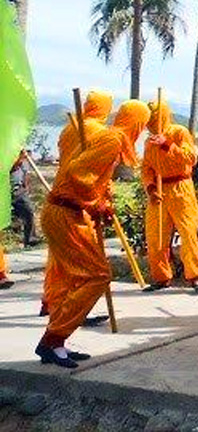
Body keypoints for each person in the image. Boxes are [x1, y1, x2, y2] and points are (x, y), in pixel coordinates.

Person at [35, 100, 150, 369]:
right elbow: (77, 175)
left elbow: (88, 176)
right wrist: (95, 202)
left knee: (73, 278)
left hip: (66, 211)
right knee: (97, 276)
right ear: (137, 124)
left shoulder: (105, 137)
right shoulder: (111, 140)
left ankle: (57, 342)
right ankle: (52, 340)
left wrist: (101, 197)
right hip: (66, 213)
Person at [41, 89, 113, 321]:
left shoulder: (70, 128)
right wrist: (96, 201)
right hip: (73, 206)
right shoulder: (102, 134)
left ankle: (57, 309)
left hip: (58, 204)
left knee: (62, 267)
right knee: (89, 271)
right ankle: (64, 321)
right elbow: (81, 173)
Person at [141, 99, 198, 294]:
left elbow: (190, 158)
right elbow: (146, 168)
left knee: (187, 232)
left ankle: (194, 276)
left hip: (181, 187)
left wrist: (168, 145)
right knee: (155, 235)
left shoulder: (179, 132)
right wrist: (151, 188)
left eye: (153, 117)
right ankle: (161, 277)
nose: (150, 121)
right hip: (159, 190)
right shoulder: (148, 141)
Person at [10, 149, 40, 246]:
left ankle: (30, 239)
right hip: (7, 189)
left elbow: (26, 174)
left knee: (29, 211)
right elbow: (11, 169)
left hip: (19, 191)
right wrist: (20, 158)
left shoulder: (26, 160)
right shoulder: (9, 155)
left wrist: (26, 188)